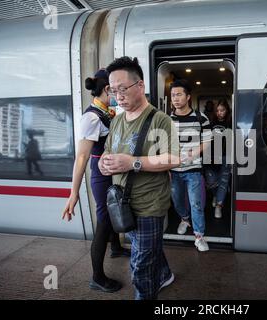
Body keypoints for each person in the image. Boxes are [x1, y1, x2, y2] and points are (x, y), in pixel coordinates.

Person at [98, 57, 180, 300]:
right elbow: (108, 151)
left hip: (149, 205)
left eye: (123, 89)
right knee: (146, 249)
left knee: (141, 267)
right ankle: (164, 274)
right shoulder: (117, 120)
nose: (118, 96)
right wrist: (104, 163)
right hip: (123, 205)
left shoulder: (159, 120)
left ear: (140, 86)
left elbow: (174, 158)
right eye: (113, 91)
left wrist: (132, 162)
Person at [62, 68, 130, 293]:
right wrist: (73, 193)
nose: (119, 94)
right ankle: (97, 277)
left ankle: (117, 247)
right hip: (101, 175)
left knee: (112, 214)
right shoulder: (91, 117)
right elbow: (81, 156)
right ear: (107, 89)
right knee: (103, 221)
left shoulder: (106, 112)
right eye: (116, 89)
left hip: (111, 171)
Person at [169, 79, 212, 252]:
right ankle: (184, 219)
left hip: (193, 168)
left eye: (179, 94)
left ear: (188, 97)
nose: (175, 98)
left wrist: (192, 154)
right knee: (177, 200)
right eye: (173, 95)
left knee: (196, 202)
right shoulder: (167, 119)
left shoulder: (201, 117)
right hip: (173, 169)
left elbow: (207, 141)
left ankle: (199, 236)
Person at [205, 99, 232, 218]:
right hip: (212, 157)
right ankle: (216, 196)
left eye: (222, 110)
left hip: (226, 156)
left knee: (224, 183)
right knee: (211, 182)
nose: (219, 113)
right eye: (217, 110)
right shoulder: (210, 125)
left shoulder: (231, 124)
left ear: (227, 111)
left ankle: (219, 206)